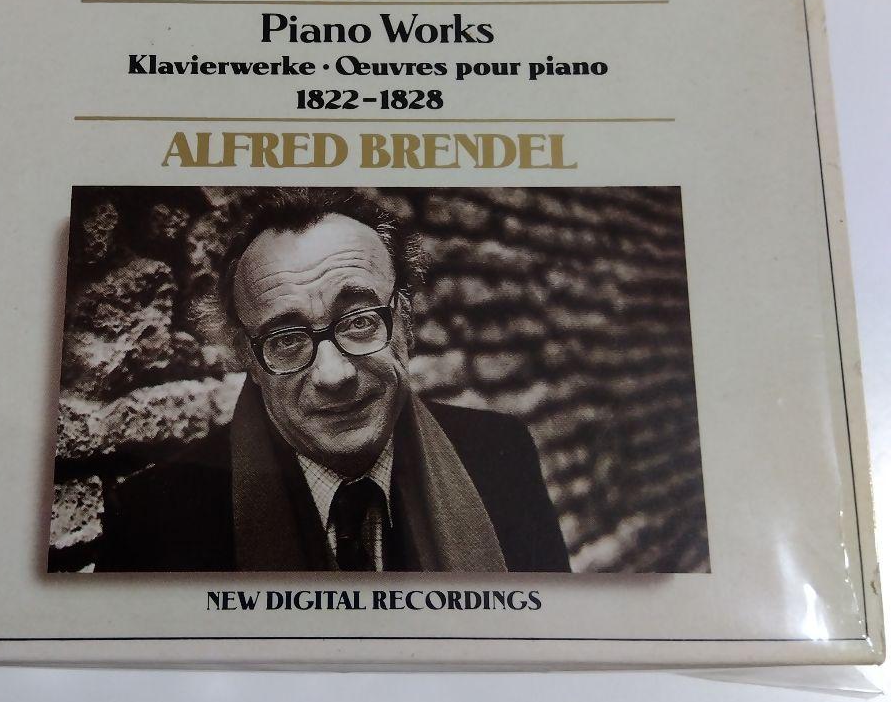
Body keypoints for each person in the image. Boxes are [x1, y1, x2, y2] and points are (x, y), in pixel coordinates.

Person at [98, 189, 570, 573]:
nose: (334, 374)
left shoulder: (500, 456)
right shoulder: (154, 521)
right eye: (286, 338)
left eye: (360, 321)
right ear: (249, 360)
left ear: (405, 322)